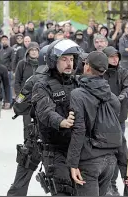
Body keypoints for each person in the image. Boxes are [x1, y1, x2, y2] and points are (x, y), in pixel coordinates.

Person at [66, 51, 128, 196]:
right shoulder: (113, 98)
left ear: (87, 67)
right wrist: (126, 167)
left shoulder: (78, 95)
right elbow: (117, 133)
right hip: (110, 162)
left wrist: (72, 164)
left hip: (89, 162)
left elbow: (79, 130)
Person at [31, 39, 83, 196]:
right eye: (64, 59)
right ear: (54, 61)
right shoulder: (42, 85)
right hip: (55, 149)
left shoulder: (77, 83)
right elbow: (45, 111)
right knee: (63, 190)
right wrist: (62, 122)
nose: (69, 63)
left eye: (72, 59)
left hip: (78, 148)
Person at [7, 45, 50, 196]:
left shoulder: (34, 80)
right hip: (56, 139)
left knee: (21, 181)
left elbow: (18, 105)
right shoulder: (73, 81)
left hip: (41, 137)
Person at [103, 46, 128, 195]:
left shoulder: (124, 73)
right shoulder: (100, 73)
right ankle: (106, 183)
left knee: (118, 151)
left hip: (119, 118)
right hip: (102, 119)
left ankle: (112, 183)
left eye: (117, 56)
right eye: (111, 57)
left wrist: (118, 99)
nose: (115, 59)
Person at [14, 42, 40, 140]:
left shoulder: (42, 65)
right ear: (28, 52)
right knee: (27, 124)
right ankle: (27, 145)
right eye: (31, 50)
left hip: (39, 99)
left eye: (36, 50)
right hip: (26, 99)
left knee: (40, 125)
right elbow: (17, 81)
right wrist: (19, 97)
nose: (33, 52)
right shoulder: (22, 64)